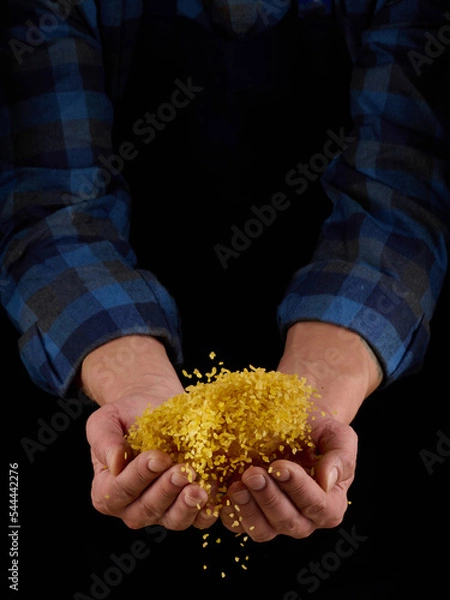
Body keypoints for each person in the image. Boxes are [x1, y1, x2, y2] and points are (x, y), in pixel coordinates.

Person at [0, 0, 449, 543]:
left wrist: (325, 381)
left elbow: (403, 192)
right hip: (84, 435)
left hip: (379, 437)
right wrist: (133, 380)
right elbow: (51, 201)